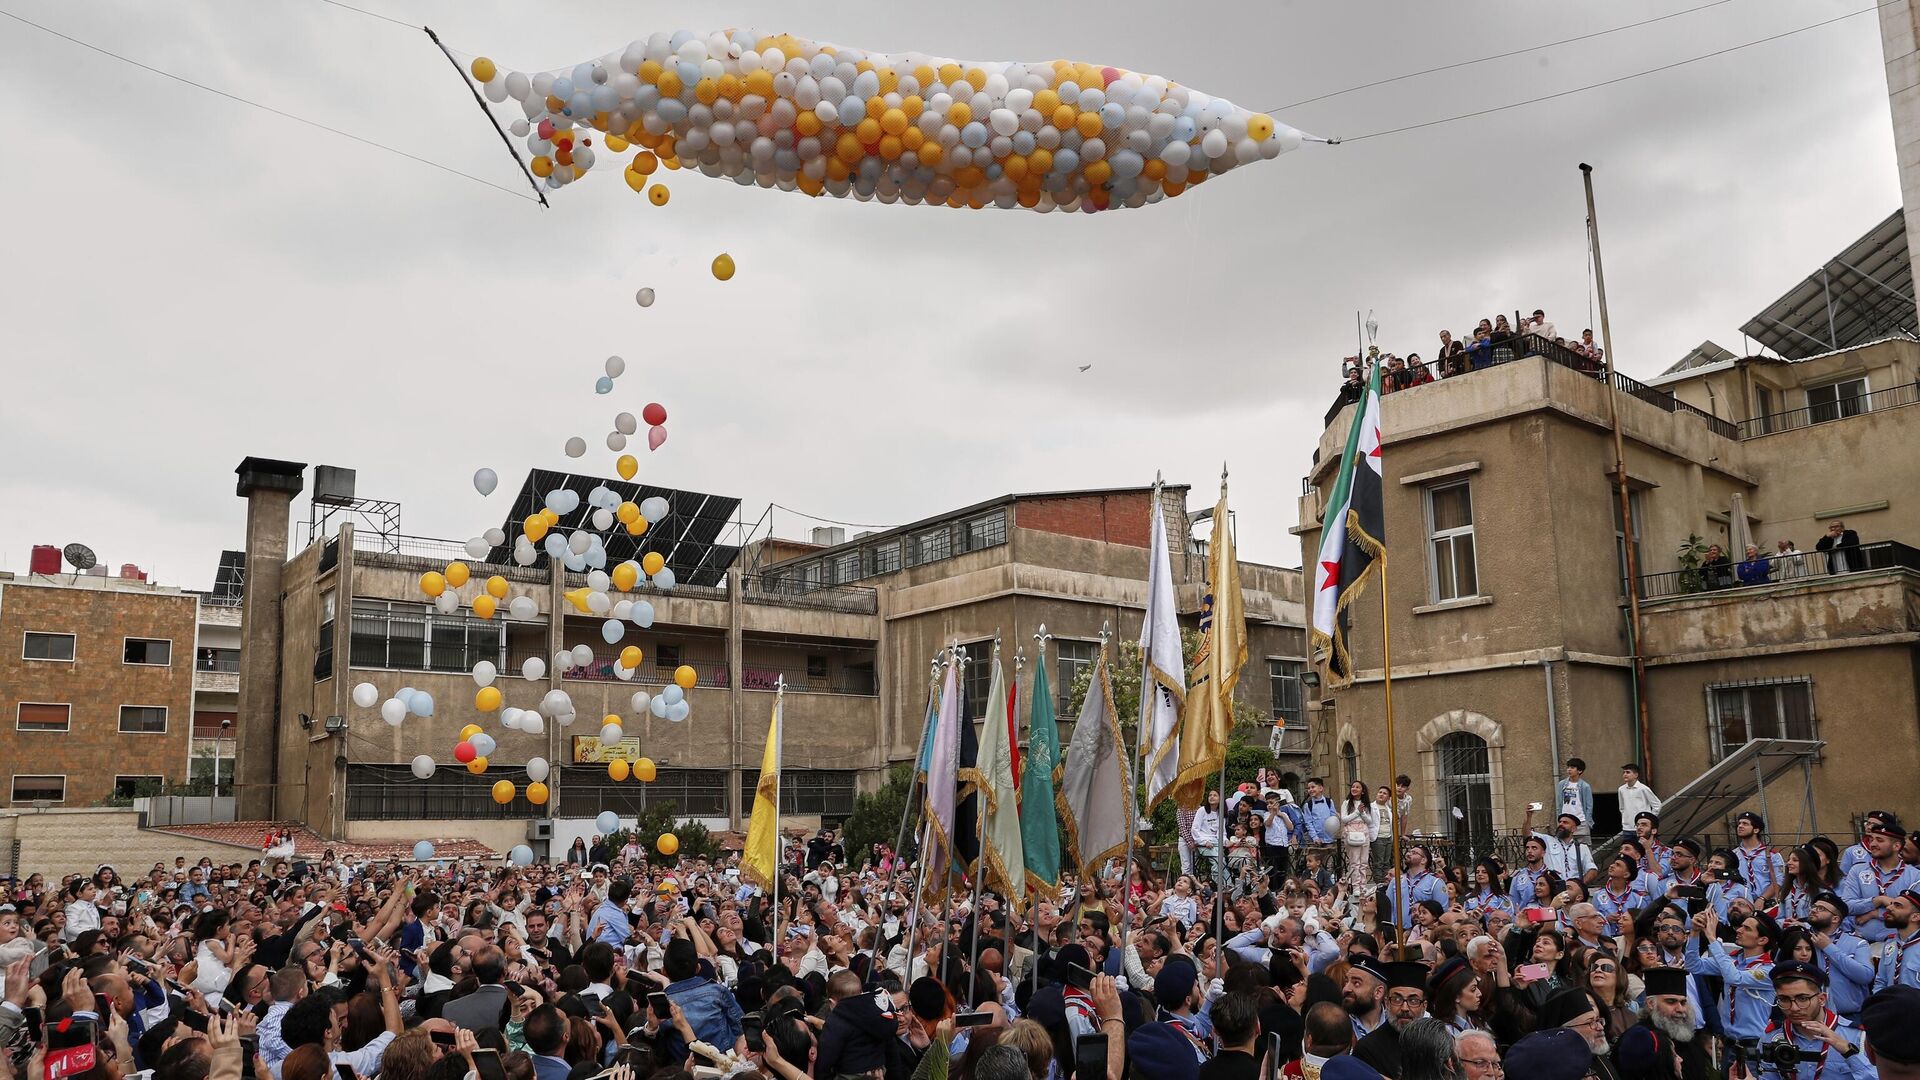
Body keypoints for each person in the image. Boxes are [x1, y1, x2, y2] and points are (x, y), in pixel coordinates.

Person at [1766, 960, 1877, 1080]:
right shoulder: (1772, 1037)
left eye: (1803, 999)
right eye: (1784, 999)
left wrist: (1848, 1052)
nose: (1794, 1008)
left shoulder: (1857, 1036)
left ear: (1822, 999)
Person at [1354, 962, 1429, 1077]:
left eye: (1413, 1001)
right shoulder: (1368, 1048)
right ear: (1387, 1003)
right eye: (1397, 999)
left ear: (1424, 1006)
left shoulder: (1434, 1043)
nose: (1404, 1008)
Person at [1340, 782, 1376, 889]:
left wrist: (1362, 813)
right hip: (1351, 831)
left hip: (1364, 831)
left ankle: (1363, 886)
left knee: (1364, 861)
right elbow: (1344, 819)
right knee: (1355, 861)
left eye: (1357, 787)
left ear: (1363, 791)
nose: (1354, 789)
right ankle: (1356, 886)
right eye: (1353, 787)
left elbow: (1369, 821)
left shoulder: (1366, 804)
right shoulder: (1346, 803)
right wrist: (1357, 812)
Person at [1558, 761, 1593, 844]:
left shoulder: (1585, 786)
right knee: (1565, 845)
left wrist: (1587, 822)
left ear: (1579, 771)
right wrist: (1559, 818)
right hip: (1565, 821)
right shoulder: (1562, 784)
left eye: (1572, 768)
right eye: (1568, 767)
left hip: (1581, 821)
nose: (1569, 770)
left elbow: (1589, 805)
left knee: (1584, 846)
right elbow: (1559, 803)